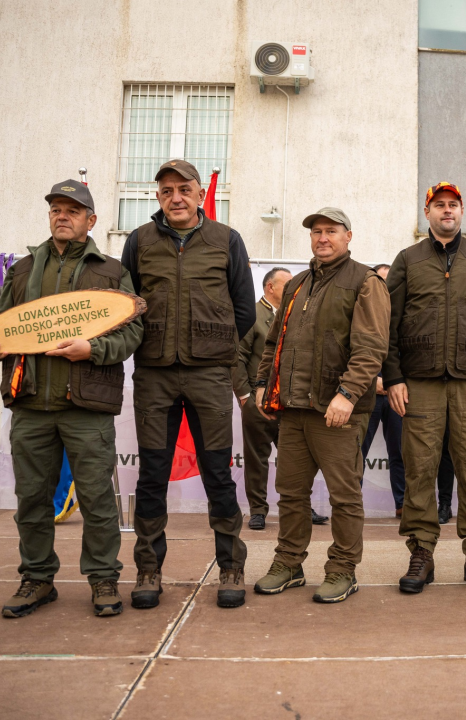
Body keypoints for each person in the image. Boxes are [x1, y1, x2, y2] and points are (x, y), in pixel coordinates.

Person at [0, 181, 142, 618]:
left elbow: (132, 333)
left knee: (97, 501)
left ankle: (104, 579)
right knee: (31, 500)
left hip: (85, 408)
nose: (62, 216)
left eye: (73, 210)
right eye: (55, 209)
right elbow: (2, 328)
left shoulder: (111, 272)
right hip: (31, 404)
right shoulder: (22, 270)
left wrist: (93, 350)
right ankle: (36, 578)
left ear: (91, 220)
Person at [120, 159, 255, 610]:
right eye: (166, 191)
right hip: (155, 375)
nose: (175, 197)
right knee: (153, 474)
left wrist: (213, 349)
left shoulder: (226, 240)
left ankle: (231, 566)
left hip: (209, 375)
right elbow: (126, 306)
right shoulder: (138, 241)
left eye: (184, 189)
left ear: (200, 195)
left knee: (218, 473)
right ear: (157, 197)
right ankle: (148, 570)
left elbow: (244, 312)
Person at [252, 208, 389, 603]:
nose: (322, 238)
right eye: (316, 231)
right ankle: (289, 564)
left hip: (337, 413)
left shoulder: (365, 281)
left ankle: (343, 570)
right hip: (293, 410)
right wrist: (262, 384)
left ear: (348, 236)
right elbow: (273, 343)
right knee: (291, 494)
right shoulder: (296, 283)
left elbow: (371, 348)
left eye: (331, 231)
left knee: (344, 496)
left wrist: (346, 395)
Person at [386, 181, 466, 594]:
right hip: (420, 383)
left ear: (463, 212)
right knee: (420, 471)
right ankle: (421, 554)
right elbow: (387, 323)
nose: (447, 211)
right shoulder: (409, 259)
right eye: (439, 205)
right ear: (427, 213)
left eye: (453, 205)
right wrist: (393, 377)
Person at [234, 267, 329, 529]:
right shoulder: (252, 314)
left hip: (290, 402)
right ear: (270, 288)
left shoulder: (296, 314)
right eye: (286, 285)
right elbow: (237, 357)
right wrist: (245, 396)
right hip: (259, 401)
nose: (292, 290)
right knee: (257, 459)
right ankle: (257, 511)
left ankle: (302, 509)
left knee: (296, 460)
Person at [360, 263, 407, 517]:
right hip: (368, 393)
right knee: (358, 452)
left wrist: (395, 381)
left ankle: (403, 506)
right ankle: (351, 507)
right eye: (381, 280)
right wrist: (371, 382)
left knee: (401, 452)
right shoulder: (361, 310)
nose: (386, 286)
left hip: (397, 393)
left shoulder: (405, 312)